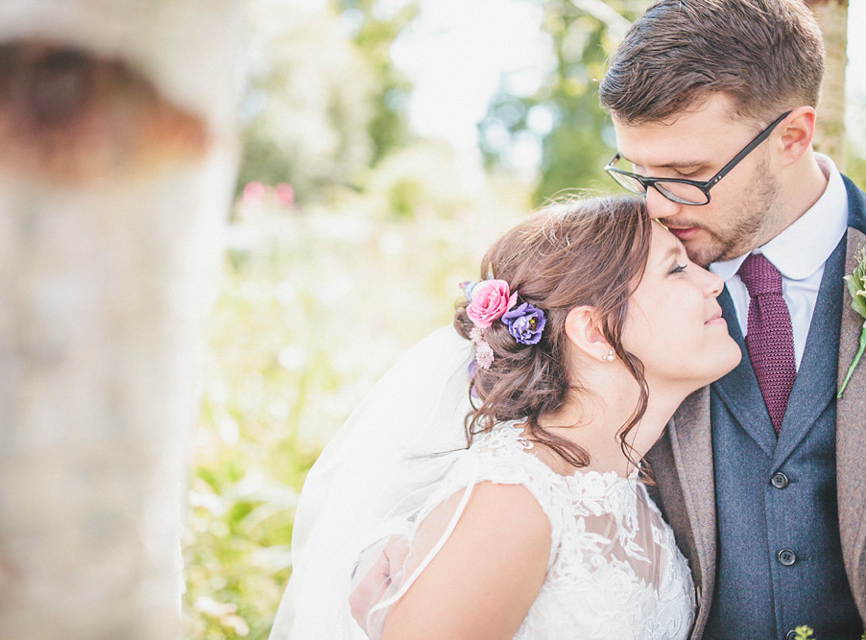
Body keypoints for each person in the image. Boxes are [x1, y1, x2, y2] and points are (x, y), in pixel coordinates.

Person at [269, 195, 741, 639]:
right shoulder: (515, 496)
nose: (712, 281)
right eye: (676, 269)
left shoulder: (624, 481)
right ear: (594, 332)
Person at [598, 0, 866, 637]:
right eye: (639, 173)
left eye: (687, 174)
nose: (658, 207)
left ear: (792, 137)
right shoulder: (615, 283)